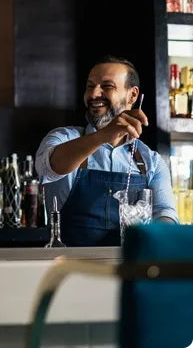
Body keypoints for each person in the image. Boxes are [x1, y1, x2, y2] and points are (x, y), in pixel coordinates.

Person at [35, 55, 178, 247]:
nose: (94, 94)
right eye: (90, 86)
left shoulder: (150, 161)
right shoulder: (63, 138)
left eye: (107, 86)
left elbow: (165, 213)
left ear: (132, 96)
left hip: (130, 270)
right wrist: (104, 135)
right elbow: (48, 168)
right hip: (70, 268)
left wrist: (155, 237)